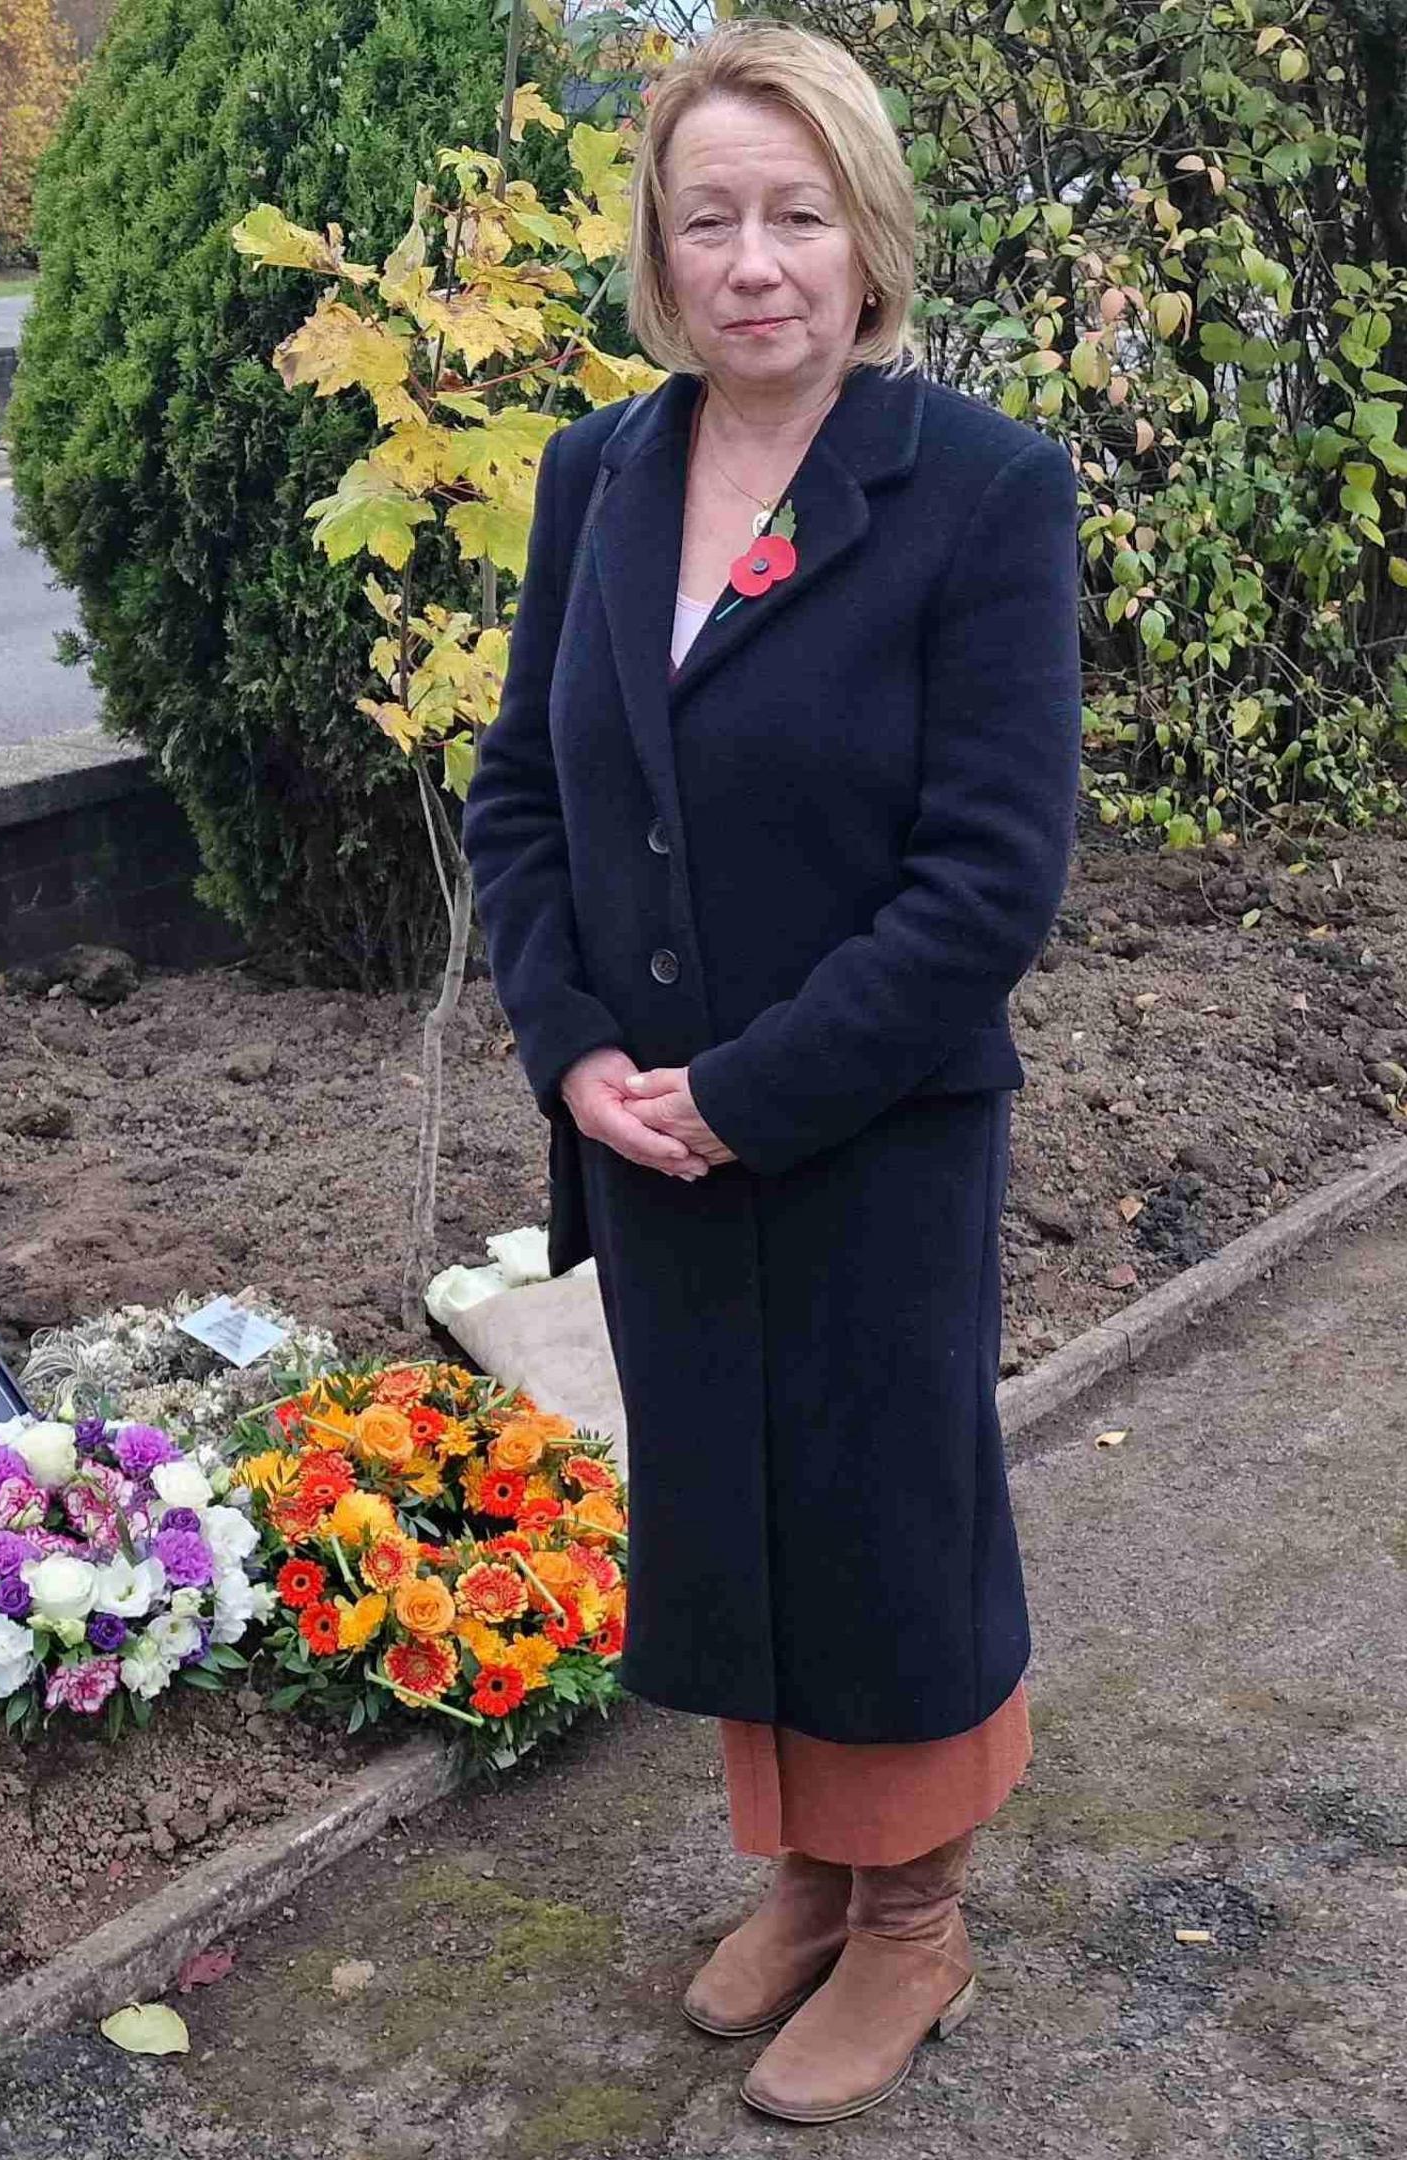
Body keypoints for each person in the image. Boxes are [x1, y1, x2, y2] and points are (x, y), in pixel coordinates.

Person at [460, 19, 1083, 2127]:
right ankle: (815, 1875)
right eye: (711, 215)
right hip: (644, 1124)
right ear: (659, 246)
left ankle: (918, 1920)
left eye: (796, 214)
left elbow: (989, 882)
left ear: (866, 237)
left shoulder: (978, 494)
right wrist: (582, 1059)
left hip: (869, 1127)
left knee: (883, 1513)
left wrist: (747, 1092)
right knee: (728, 1503)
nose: (755, 260)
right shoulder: (600, 475)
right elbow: (526, 801)